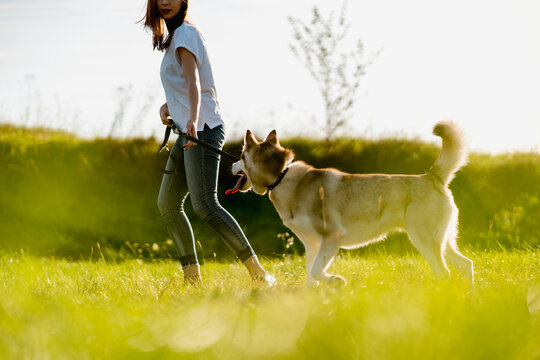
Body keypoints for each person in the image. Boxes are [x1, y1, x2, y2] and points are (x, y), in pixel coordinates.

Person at [142, 0, 275, 286]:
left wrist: (190, 119)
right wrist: (168, 107)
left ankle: (260, 275)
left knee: (205, 204)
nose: (165, 2)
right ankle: (192, 281)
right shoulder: (175, 37)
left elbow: (194, 82)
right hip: (189, 130)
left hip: (201, 129)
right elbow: (185, 83)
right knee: (168, 203)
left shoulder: (186, 34)